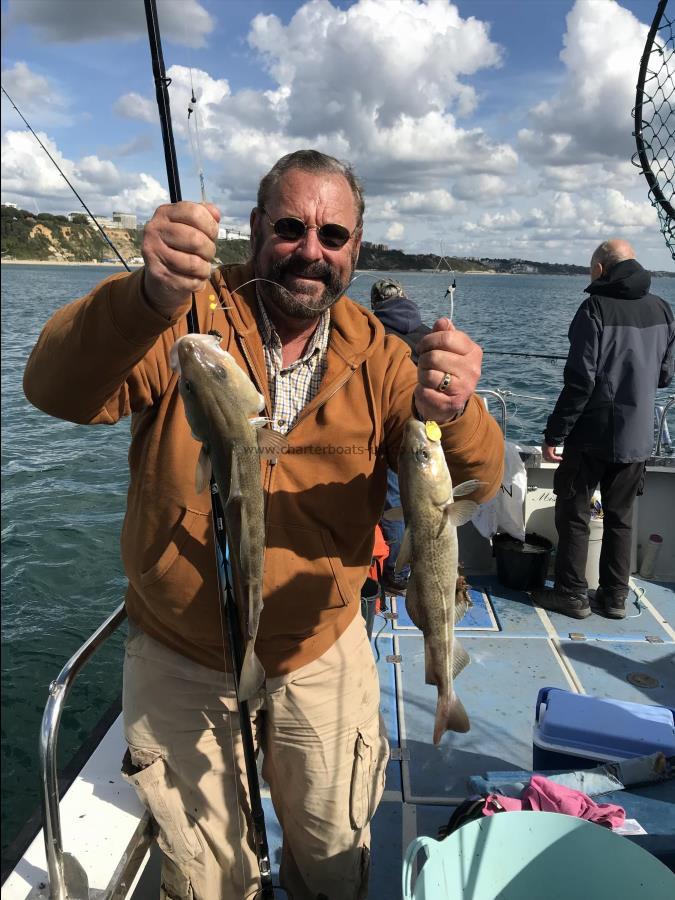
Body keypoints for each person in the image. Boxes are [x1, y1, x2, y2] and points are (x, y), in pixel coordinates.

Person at [23, 149, 504, 900]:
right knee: (204, 874)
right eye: (290, 227)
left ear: (356, 246)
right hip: (181, 656)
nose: (311, 251)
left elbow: (479, 477)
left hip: (320, 654)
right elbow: (56, 389)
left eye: (334, 236)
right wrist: (142, 297)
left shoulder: (378, 355)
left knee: (334, 854)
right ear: (253, 229)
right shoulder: (186, 317)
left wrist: (457, 409)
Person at [535, 239, 674, 621]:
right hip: (638, 437)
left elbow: (580, 380)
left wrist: (554, 434)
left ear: (599, 269)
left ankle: (571, 594)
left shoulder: (593, 308)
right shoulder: (663, 309)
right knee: (621, 516)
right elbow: (664, 374)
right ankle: (615, 597)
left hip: (591, 435)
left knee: (574, 513)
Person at [370, 279, 431, 594]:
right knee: (427, 503)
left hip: (390, 430)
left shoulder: (375, 334)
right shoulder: (428, 333)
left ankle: (395, 573)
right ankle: (421, 567)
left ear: (376, 304)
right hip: (428, 435)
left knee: (393, 502)